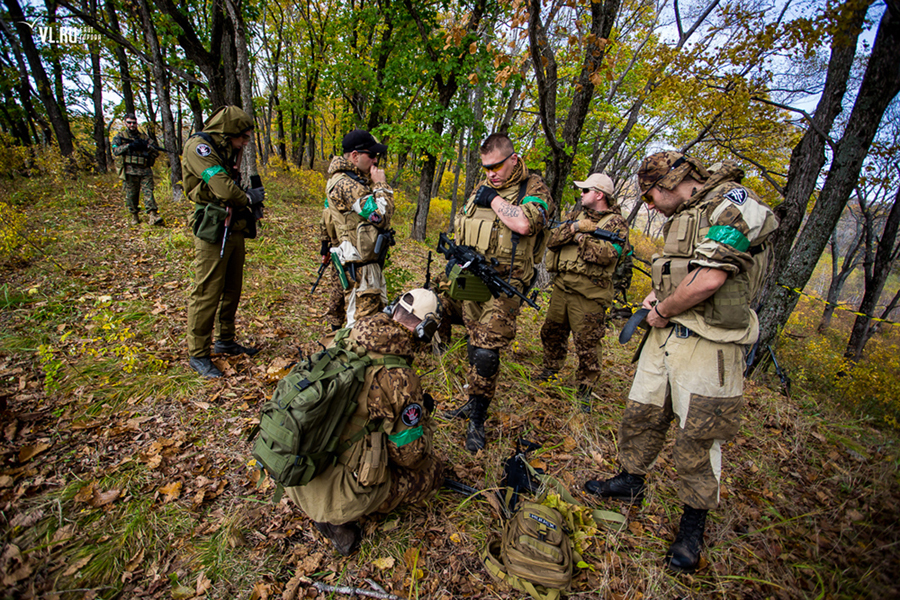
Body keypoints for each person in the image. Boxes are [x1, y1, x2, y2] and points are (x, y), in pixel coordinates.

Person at [584, 152, 778, 573]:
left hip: (709, 346)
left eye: (651, 196)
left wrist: (664, 308)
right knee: (642, 414)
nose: (649, 206)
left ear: (672, 182)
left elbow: (710, 278)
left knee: (699, 438)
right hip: (665, 336)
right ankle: (630, 480)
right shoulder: (687, 214)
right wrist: (658, 297)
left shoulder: (734, 204)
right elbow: (684, 272)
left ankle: (693, 524)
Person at [285, 288, 445, 556]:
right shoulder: (400, 377)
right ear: (425, 329)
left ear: (394, 309)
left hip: (298, 470)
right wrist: (423, 424)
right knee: (434, 472)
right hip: (337, 494)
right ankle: (338, 516)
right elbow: (409, 456)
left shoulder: (345, 336)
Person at [445, 133, 555, 453]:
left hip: (507, 284)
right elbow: (463, 226)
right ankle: (471, 400)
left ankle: (477, 421)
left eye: (497, 166)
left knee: (486, 349)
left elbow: (524, 224)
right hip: (473, 279)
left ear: (515, 159)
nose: (491, 173)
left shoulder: (533, 189)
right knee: (472, 338)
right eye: (486, 168)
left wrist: (492, 199)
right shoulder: (481, 189)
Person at [183, 106, 265, 378]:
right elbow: (221, 187)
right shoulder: (200, 148)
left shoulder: (228, 148)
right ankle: (198, 353)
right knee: (207, 291)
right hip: (213, 227)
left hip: (235, 225)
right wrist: (249, 198)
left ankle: (225, 340)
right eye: (242, 137)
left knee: (232, 287)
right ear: (228, 132)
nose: (245, 142)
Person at [537, 173, 630, 412]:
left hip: (590, 294)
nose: (581, 194)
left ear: (599, 195)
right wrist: (576, 227)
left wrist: (578, 237)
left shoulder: (616, 223)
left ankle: (585, 387)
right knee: (552, 332)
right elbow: (552, 240)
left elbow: (607, 255)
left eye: (585, 190)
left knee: (587, 343)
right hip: (563, 287)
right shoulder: (575, 216)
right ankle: (551, 370)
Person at [323, 129, 395, 328]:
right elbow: (381, 216)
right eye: (371, 155)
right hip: (359, 266)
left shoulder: (338, 180)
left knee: (352, 317)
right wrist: (381, 185)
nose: (375, 161)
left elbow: (327, 217)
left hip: (349, 258)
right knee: (362, 326)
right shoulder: (349, 185)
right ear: (355, 156)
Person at [111, 113, 163, 226]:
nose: (132, 125)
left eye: (134, 122)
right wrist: (130, 146)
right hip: (130, 171)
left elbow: (156, 152)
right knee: (131, 195)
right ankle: (134, 215)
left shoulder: (144, 137)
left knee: (148, 192)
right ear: (125, 123)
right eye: (129, 122)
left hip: (145, 170)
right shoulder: (120, 137)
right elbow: (115, 151)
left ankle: (153, 215)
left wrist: (147, 148)